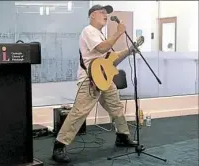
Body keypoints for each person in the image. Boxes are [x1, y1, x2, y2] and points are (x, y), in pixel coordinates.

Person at [52, 4, 138, 163]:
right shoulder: (88, 31)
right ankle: (59, 146)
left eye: (107, 13)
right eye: (102, 12)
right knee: (79, 112)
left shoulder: (100, 34)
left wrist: (129, 50)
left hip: (104, 77)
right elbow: (101, 49)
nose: (106, 15)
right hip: (89, 78)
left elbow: (112, 58)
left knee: (116, 106)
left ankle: (122, 136)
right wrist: (119, 32)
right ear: (92, 15)